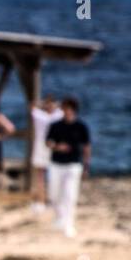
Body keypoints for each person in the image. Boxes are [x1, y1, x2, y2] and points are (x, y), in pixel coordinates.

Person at [46, 96, 91, 238]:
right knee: (54, 194)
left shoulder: (81, 127)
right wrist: (57, 147)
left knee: (70, 195)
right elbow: (48, 142)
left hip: (73, 164)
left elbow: (87, 147)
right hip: (56, 164)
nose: (66, 111)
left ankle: (69, 224)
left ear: (73, 110)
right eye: (64, 109)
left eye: (68, 109)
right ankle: (59, 217)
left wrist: (86, 166)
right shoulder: (55, 125)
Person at [29, 95, 63, 212]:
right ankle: (44, 200)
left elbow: (32, 106)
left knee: (45, 176)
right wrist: (54, 104)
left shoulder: (41, 115)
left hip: (47, 147)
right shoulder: (57, 115)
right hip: (47, 147)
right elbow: (62, 107)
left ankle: (44, 201)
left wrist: (42, 103)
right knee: (42, 177)